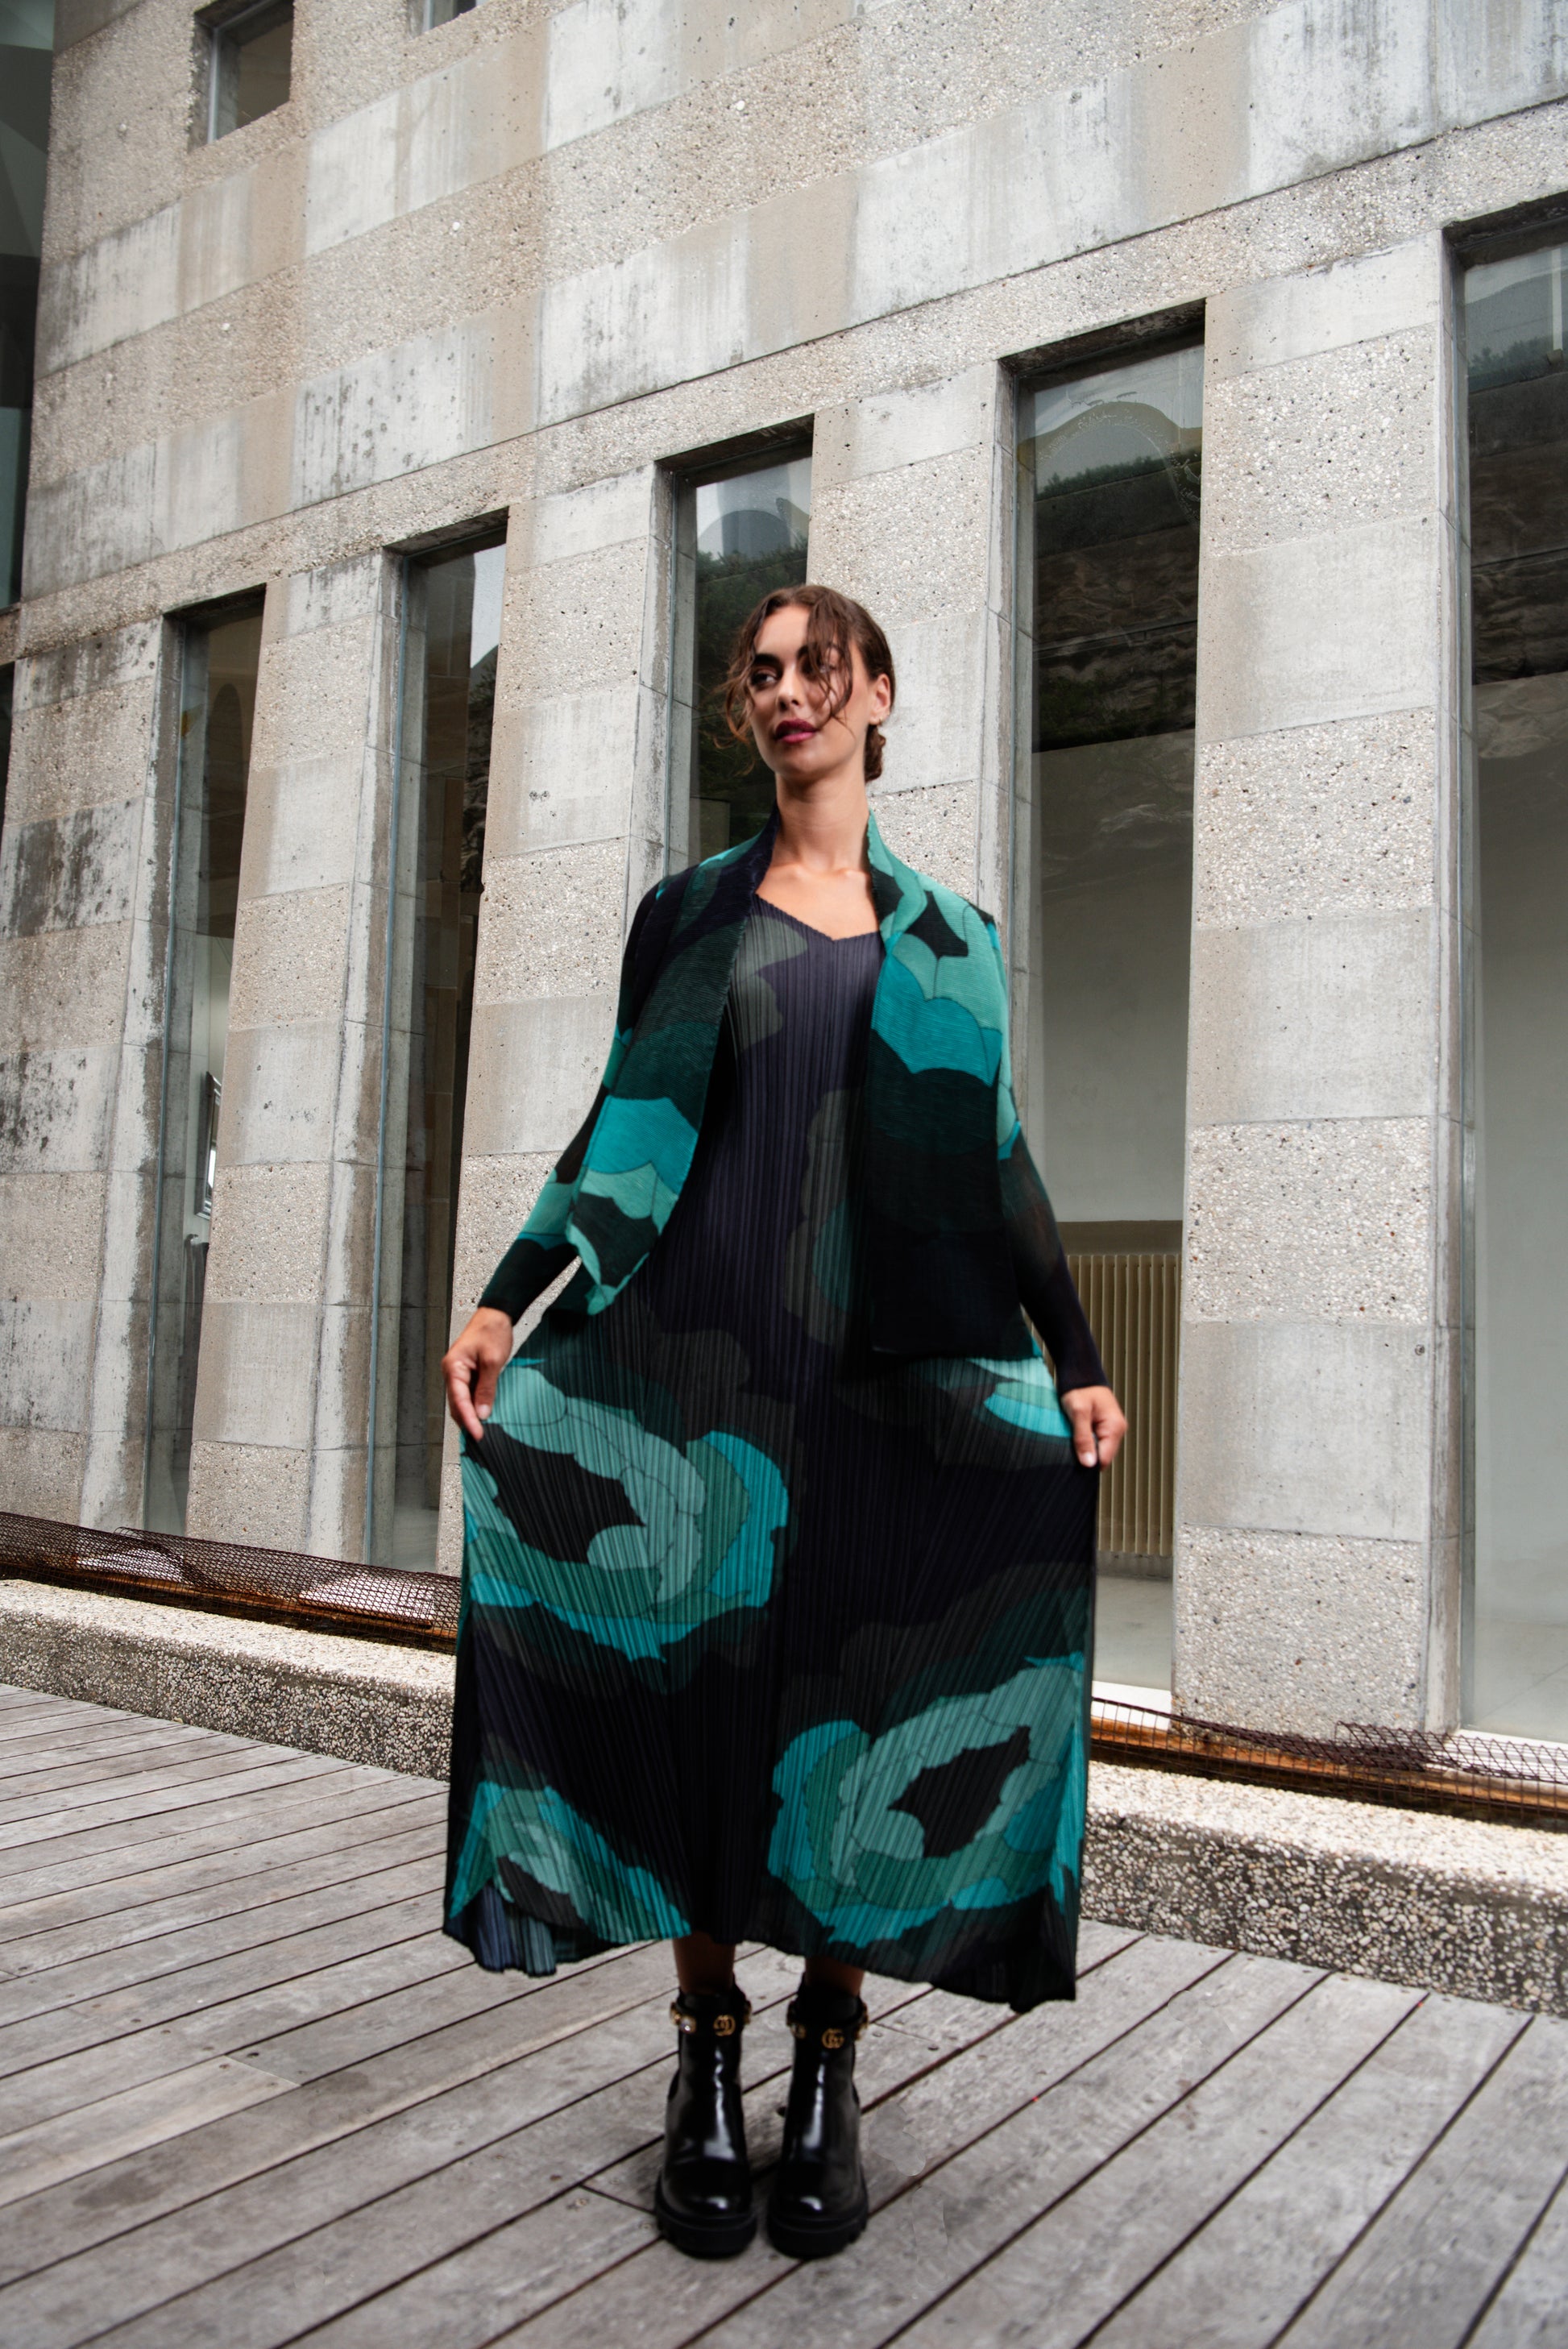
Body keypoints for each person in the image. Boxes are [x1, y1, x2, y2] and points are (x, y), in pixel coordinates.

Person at [441, 584, 1126, 2264]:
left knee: (859, 1702)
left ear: (878, 692)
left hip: (885, 1383)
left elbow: (996, 1158)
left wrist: (1075, 1355)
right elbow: (619, 1124)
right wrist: (507, 1297)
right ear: (745, 710)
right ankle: (705, 2050)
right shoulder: (689, 914)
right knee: (701, 1703)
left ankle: (827, 2057)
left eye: (818, 666)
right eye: (760, 674)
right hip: (700, 1371)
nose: (787, 693)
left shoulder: (951, 935)